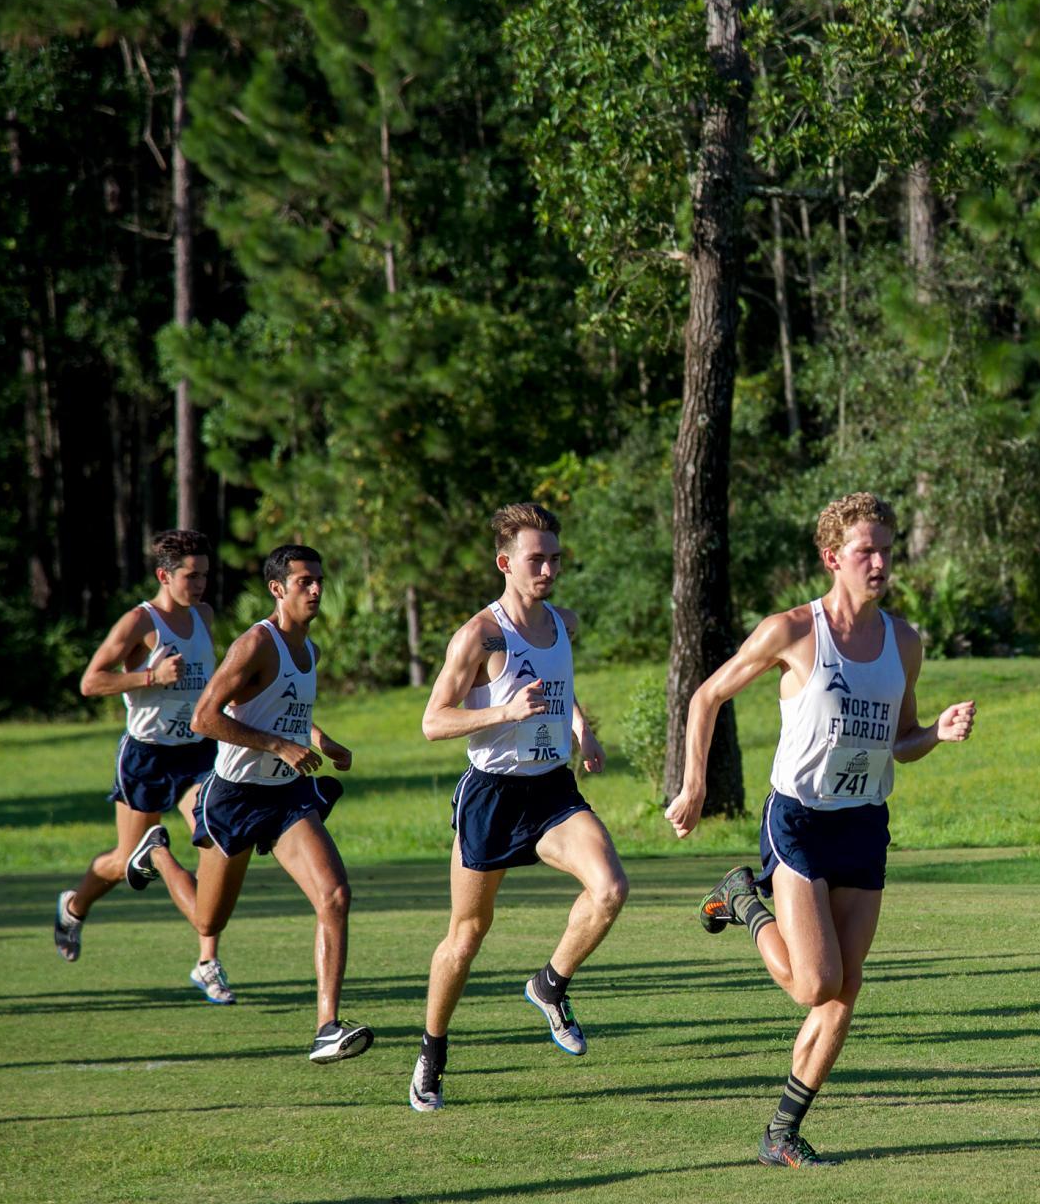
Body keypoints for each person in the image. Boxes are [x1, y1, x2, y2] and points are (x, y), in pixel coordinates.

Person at [665, 492, 976, 1167]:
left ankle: (781, 1133)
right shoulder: (793, 632)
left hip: (864, 824)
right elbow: (707, 695)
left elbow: (901, 741)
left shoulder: (904, 640)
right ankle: (743, 899)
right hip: (799, 819)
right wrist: (693, 785)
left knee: (845, 989)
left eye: (888, 548)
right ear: (833, 557)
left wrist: (937, 734)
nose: (881, 561)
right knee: (814, 983)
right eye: (867, 549)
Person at [408, 502, 628, 1112]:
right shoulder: (481, 635)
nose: (549, 569)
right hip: (493, 795)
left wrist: (583, 728)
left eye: (556, 558)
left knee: (609, 888)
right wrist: (505, 711)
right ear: (505, 563)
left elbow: (559, 683)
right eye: (537, 559)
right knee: (468, 933)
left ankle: (549, 984)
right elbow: (432, 722)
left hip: (552, 789)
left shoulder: (564, 622)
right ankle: (432, 1051)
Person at [126, 543, 373, 1063]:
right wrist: (279, 745)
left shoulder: (311, 649)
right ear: (277, 588)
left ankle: (327, 1026)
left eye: (319, 580)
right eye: (304, 581)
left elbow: (283, 710)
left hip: (285, 796)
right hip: (234, 798)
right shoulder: (256, 643)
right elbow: (204, 718)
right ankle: (155, 855)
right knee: (208, 923)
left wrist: (320, 739)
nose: (316, 589)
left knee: (334, 896)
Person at [53, 529, 232, 1003]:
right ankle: (74, 905)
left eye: (205, 576)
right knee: (122, 860)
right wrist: (151, 676)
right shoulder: (139, 622)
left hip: (197, 753)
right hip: (147, 756)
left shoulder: (205, 616)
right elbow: (92, 682)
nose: (199, 586)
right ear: (164, 575)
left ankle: (207, 961)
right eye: (191, 577)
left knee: (212, 840)